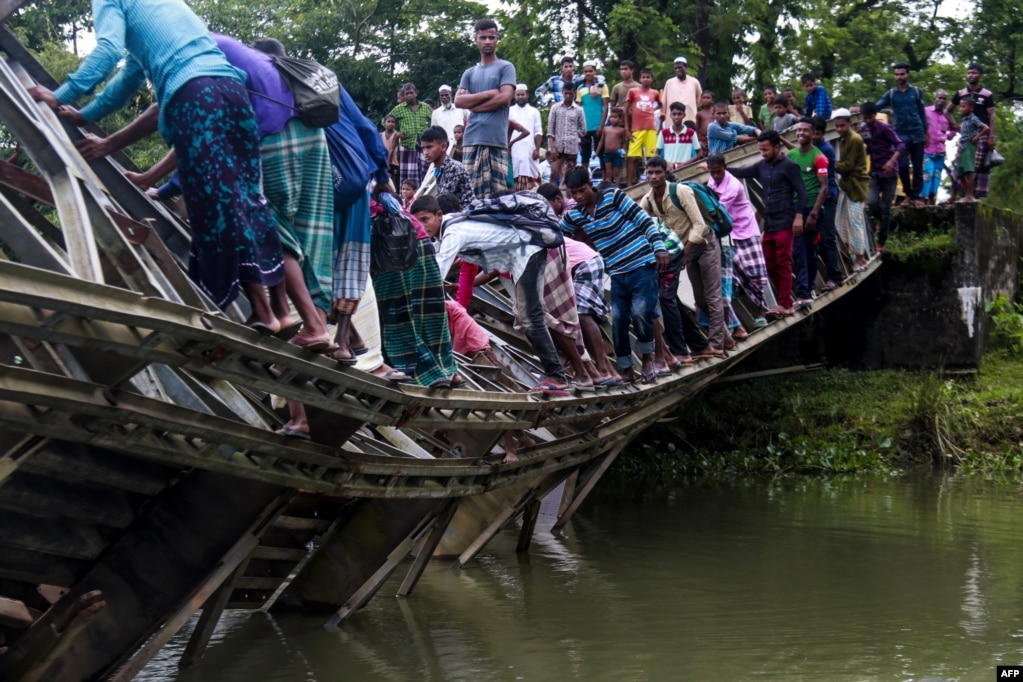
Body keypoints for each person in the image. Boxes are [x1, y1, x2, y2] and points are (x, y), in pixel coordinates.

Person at [30, 0, 285, 331]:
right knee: (247, 196)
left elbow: (107, 50)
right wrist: (85, 115)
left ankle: (263, 314)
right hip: (232, 92)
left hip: (196, 96)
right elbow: (129, 78)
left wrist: (62, 94)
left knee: (214, 205)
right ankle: (280, 310)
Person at [434, 194, 573, 396]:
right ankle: (556, 373)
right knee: (529, 317)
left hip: (527, 252)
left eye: (425, 219)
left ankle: (557, 376)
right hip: (522, 254)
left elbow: (438, 271)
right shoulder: (451, 223)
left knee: (530, 317)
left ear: (438, 215)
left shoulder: (453, 233)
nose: (423, 225)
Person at [561, 167, 669, 383]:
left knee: (640, 312)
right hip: (617, 272)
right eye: (573, 193)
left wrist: (659, 248)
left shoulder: (613, 197)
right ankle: (626, 369)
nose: (579, 196)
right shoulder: (576, 214)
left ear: (590, 184)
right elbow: (557, 233)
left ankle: (648, 360)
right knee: (618, 320)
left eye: (582, 190)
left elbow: (644, 220)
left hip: (641, 264)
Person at [640, 156, 730, 359]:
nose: (653, 177)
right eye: (650, 173)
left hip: (703, 244)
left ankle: (717, 345)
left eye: (658, 173)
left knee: (712, 295)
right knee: (700, 299)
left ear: (665, 173)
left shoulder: (680, 191)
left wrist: (685, 253)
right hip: (683, 250)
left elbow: (699, 225)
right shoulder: (648, 200)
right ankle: (728, 337)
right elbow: (640, 222)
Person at [724, 130, 807, 317]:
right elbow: (740, 172)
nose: (763, 152)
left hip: (786, 221)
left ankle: (785, 304)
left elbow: (802, 193)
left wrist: (799, 216)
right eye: (760, 149)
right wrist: (718, 168)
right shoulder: (762, 166)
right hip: (769, 223)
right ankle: (784, 300)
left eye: (766, 149)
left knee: (783, 262)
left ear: (777, 147)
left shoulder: (789, 166)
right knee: (768, 263)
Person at [456, 18, 517, 199]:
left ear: (497, 39)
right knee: (470, 193)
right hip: (471, 139)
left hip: (495, 139)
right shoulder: (469, 73)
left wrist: (474, 105)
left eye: (491, 37)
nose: (488, 41)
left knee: (498, 195)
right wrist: (488, 94)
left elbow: (505, 98)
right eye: (483, 38)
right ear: (476, 40)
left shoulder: (506, 67)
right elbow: (458, 102)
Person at [706, 153, 769, 320]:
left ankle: (760, 311)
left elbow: (717, 210)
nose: (716, 176)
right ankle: (737, 311)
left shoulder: (733, 186)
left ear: (725, 168)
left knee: (755, 271)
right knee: (727, 263)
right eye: (712, 172)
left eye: (719, 172)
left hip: (745, 230)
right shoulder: (712, 181)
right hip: (727, 231)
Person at [784, 117, 827, 311]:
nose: (801, 133)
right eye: (799, 130)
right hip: (795, 210)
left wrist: (814, 213)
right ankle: (803, 292)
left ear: (813, 133)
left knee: (809, 251)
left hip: (811, 211)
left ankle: (806, 291)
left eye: (805, 131)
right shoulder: (791, 155)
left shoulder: (819, 157)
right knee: (799, 251)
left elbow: (824, 187)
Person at [876, 62, 929, 208]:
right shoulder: (892, 94)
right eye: (897, 74)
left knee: (918, 166)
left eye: (902, 74)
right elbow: (877, 105)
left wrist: (926, 132)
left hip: (917, 132)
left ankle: (917, 196)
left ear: (908, 74)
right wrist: (862, 109)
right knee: (903, 165)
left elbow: (922, 113)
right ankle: (908, 194)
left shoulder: (917, 92)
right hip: (900, 134)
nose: (899, 77)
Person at [859, 101, 903, 251]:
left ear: (874, 115)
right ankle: (880, 220)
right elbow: (865, 145)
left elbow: (900, 145)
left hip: (890, 172)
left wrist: (891, 161)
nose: (867, 120)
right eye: (865, 118)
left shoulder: (884, 128)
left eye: (869, 117)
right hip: (875, 171)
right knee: (871, 202)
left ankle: (881, 242)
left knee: (886, 207)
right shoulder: (864, 129)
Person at [832, 108, 871, 271]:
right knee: (840, 220)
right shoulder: (843, 139)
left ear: (849, 123)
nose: (839, 129)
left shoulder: (854, 139)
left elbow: (848, 166)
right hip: (847, 185)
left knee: (855, 222)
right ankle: (852, 254)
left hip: (856, 185)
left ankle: (860, 258)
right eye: (837, 126)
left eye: (842, 125)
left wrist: (830, 164)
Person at [951, 64, 997, 199]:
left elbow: (992, 116)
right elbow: (948, 110)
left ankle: (971, 196)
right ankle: (953, 197)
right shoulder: (961, 93)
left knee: (975, 166)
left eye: (974, 73)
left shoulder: (987, 94)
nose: (971, 75)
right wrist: (955, 126)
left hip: (981, 136)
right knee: (958, 164)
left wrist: (991, 137)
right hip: (966, 136)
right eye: (969, 72)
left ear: (980, 76)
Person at [809, 115, 843, 291]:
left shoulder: (825, 150)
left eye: (816, 133)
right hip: (817, 198)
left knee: (828, 236)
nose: (813, 136)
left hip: (827, 196)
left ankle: (835, 277)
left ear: (821, 134)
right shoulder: (813, 148)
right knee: (817, 238)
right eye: (811, 133)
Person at [414, 126, 474, 206]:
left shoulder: (454, 168)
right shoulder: (439, 168)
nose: (425, 152)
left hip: (463, 214)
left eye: (429, 147)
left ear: (443, 147)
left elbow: (443, 201)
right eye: (423, 148)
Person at [388, 83, 433, 188]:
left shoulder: (425, 107)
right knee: (408, 174)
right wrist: (396, 133)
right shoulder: (399, 109)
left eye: (411, 93)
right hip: (407, 145)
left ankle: (424, 195)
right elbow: (386, 121)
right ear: (403, 96)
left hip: (423, 145)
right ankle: (408, 198)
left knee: (425, 171)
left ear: (416, 93)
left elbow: (434, 120)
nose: (409, 95)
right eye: (406, 93)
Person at [624, 68, 661, 185]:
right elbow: (625, 110)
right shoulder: (633, 91)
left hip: (650, 128)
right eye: (643, 77)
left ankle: (653, 182)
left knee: (652, 157)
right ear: (640, 79)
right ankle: (629, 185)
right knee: (632, 158)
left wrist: (652, 110)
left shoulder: (655, 93)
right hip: (636, 129)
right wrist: (627, 129)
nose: (646, 79)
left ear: (652, 79)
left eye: (648, 77)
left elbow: (661, 104)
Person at [922, 90, 959, 204]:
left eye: (944, 99)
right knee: (927, 174)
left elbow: (955, 127)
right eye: (940, 98)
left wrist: (948, 136)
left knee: (936, 178)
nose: (941, 100)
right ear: (935, 98)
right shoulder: (926, 111)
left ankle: (932, 200)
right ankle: (922, 200)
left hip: (940, 152)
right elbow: (918, 124)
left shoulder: (947, 115)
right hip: (927, 150)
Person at [546, 80, 586, 185]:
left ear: (575, 94)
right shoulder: (555, 108)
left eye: (571, 93)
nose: (568, 96)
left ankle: (569, 199)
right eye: (566, 93)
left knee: (570, 177)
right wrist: (552, 147)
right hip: (557, 147)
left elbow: (583, 129)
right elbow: (550, 130)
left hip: (572, 147)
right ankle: (551, 197)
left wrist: (576, 135)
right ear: (562, 93)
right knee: (553, 173)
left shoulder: (578, 110)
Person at [952, 95, 990, 203]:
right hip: (963, 147)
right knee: (960, 172)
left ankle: (969, 195)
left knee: (969, 170)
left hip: (970, 146)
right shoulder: (964, 119)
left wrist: (977, 137)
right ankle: (967, 194)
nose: (961, 109)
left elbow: (986, 128)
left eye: (963, 106)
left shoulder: (973, 118)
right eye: (960, 106)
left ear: (971, 108)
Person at [509, 84, 544, 190]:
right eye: (518, 95)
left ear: (527, 95)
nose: (520, 97)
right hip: (513, 149)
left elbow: (538, 131)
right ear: (514, 96)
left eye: (522, 94)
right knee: (513, 175)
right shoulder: (509, 111)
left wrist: (537, 149)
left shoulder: (534, 111)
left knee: (532, 176)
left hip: (530, 149)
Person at [577, 61, 609, 170]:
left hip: (598, 125)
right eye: (586, 71)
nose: (588, 73)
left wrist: (602, 125)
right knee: (585, 154)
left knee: (601, 152)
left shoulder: (602, 86)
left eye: (590, 71)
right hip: (585, 127)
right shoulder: (580, 88)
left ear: (595, 71)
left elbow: (605, 107)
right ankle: (585, 178)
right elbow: (578, 108)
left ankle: (605, 179)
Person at [657, 102, 700, 171]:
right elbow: (657, 154)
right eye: (674, 114)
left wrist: (685, 164)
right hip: (668, 170)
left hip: (685, 170)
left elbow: (700, 153)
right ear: (670, 115)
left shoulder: (691, 132)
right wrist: (666, 163)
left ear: (684, 115)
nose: (676, 117)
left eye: (679, 114)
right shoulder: (663, 133)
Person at [660, 56, 701, 126]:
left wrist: (689, 106)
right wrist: (662, 114)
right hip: (672, 118)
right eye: (676, 68)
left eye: (680, 67)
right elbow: (664, 101)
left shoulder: (694, 82)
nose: (678, 70)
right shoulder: (669, 82)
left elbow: (699, 100)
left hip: (689, 117)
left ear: (686, 68)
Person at [595, 107, 628, 185]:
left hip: (617, 154)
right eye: (611, 117)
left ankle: (617, 189)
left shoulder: (621, 130)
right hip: (607, 154)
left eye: (615, 117)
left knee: (616, 174)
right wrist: (596, 152)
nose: (612, 119)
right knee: (608, 174)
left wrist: (623, 153)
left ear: (620, 119)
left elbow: (623, 143)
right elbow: (601, 141)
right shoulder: (606, 129)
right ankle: (608, 189)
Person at [381, 113, 400, 190]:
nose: (390, 123)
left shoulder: (396, 135)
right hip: (383, 162)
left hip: (392, 163)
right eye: (388, 121)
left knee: (393, 184)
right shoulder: (380, 135)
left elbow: (391, 149)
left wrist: (388, 164)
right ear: (384, 123)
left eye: (392, 122)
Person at [694, 90, 716, 156]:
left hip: (715, 137)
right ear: (701, 100)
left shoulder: (716, 112)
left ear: (712, 100)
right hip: (703, 139)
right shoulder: (699, 114)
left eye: (708, 98)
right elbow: (697, 129)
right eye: (704, 98)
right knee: (705, 156)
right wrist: (698, 140)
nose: (706, 100)